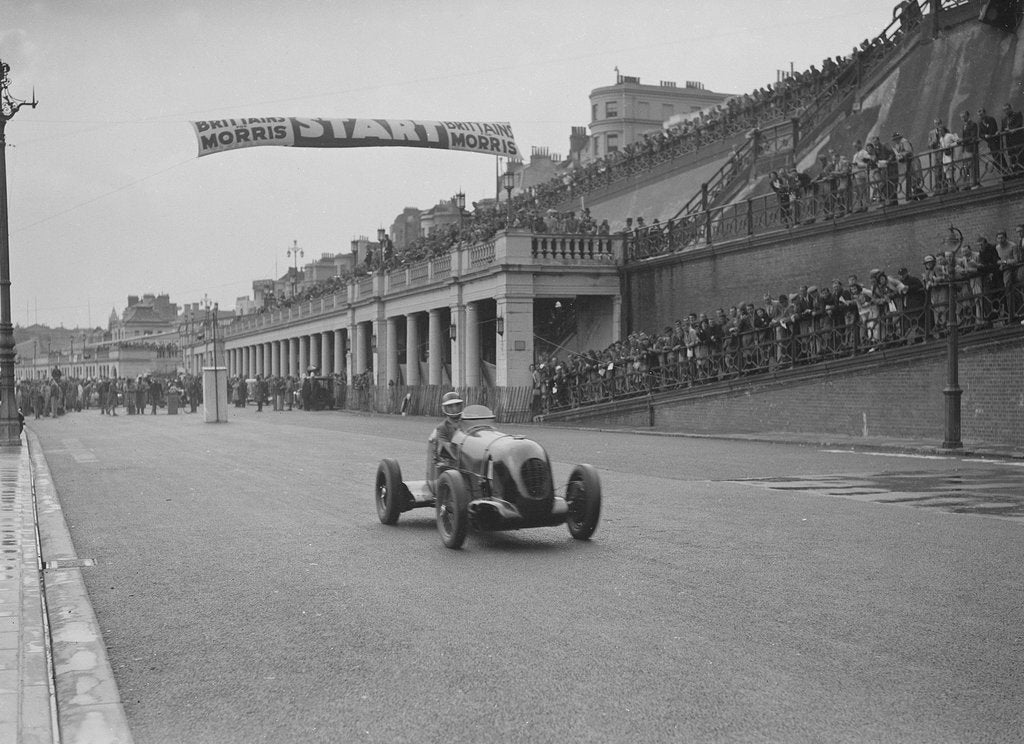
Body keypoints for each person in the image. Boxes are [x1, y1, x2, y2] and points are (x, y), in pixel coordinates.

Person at [433, 391, 464, 470]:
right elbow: (446, 448)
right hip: (451, 465)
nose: (455, 409)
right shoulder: (442, 428)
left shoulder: (467, 423)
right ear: (444, 408)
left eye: (457, 405)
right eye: (450, 406)